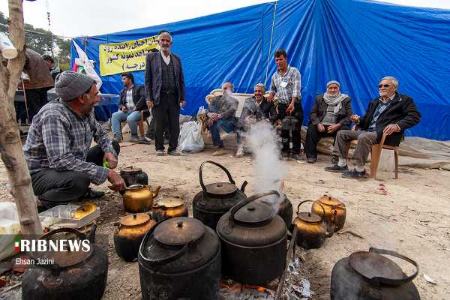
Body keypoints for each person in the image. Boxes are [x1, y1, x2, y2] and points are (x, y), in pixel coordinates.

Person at [23, 71, 125, 209]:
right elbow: (61, 160)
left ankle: (78, 192)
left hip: (68, 166)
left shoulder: (86, 110)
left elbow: (101, 134)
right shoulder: (54, 116)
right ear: (82, 98)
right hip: (41, 174)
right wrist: (107, 172)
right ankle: (45, 200)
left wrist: (108, 151)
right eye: (95, 94)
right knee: (79, 180)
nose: (98, 98)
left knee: (112, 145)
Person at [325, 76, 421, 178]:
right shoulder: (375, 101)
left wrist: (398, 125)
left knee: (364, 137)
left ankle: (359, 170)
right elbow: (366, 121)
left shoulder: (404, 100)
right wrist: (358, 120)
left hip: (386, 134)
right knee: (341, 133)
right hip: (369, 131)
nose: (382, 88)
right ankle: (342, 164)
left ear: (394, 88)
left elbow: (415, 116)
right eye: (380, 86)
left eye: (386, 85)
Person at [145, 31, 185, 156]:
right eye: (163, 40)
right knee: (158, 124)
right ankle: (159, 148)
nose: (165, 43)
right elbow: (148, 80)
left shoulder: (177, 59)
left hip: (174, 97)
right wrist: (149, 98)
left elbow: (181, 79)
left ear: (171, 43)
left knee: (175, 124)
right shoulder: (151, 58)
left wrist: (182, 97)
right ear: (159, 42)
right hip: (158, 96)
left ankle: (173, 148)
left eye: (167, 41)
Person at [268, 49, 303, 160]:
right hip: (282, 106)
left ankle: (296, 152)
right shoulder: (274, 76)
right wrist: (271, 95)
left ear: (286, 59)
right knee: (284, 129)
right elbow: (273, 89)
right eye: (276, 60)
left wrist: (292, 103)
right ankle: (285, 151)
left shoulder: (294, 71)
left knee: (296, 129)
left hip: (294, 104)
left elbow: (296, 90)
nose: (278, 62)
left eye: (280, 59)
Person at [305, 81, 352, 163]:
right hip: (322, 126)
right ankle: (311, 156)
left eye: (335, 88)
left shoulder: (345, 100)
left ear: (338, 89)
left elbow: (349, 116)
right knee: (311, 128)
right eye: (330, 88)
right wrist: (318, 123)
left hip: (336, 126)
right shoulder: (320, 98)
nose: (333, 90)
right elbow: (313, 113)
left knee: (344, 130)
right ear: (327, 89)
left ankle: (337, 157)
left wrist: (337, 125)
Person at [236, 83, 276, 157]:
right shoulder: (248, 101)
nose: (257, 93)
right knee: (240, 125)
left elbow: (274, 115)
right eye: (256, 91)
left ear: (263, 92)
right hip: (250, 123)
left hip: (263, 123)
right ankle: (240, 147)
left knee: (267, 128)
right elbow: (243, 114)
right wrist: (246, 119)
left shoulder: (268, 102)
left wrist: (267, 120)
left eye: (260, 91)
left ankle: (264, 150)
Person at [111, 72, 148, 143]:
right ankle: (117, 137)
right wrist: (122, 107)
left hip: (139, 111)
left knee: (130, 118)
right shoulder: (123, 91)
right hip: (127, 111)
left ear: (130, 79)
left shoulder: (139, 88)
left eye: (124, 79)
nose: (122, 81)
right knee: (115, 115)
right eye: (122, 79)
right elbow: (120, 103)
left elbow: (144, 97)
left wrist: (136, 107)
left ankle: (134, 136)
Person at [23, 48, 54, 123]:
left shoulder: (21, 53)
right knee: (43, 106)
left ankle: (36, 125)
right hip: (46, 83)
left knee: (34, 107)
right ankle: (45, 122)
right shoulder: (33, 52)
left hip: (33, 84)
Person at [207, 82, 239, 155]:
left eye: (228, 88)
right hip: (217, 120)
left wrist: (218, 116)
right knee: (213, 123)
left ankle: (220, 147)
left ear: (232, 90)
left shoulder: (235, 101)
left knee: (218, 123)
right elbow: (209, 110)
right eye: (224, 88)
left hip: (229, 122)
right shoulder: (216, 99)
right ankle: (220, 148)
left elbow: (230, 112)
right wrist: (211, 115)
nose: (226, 90)